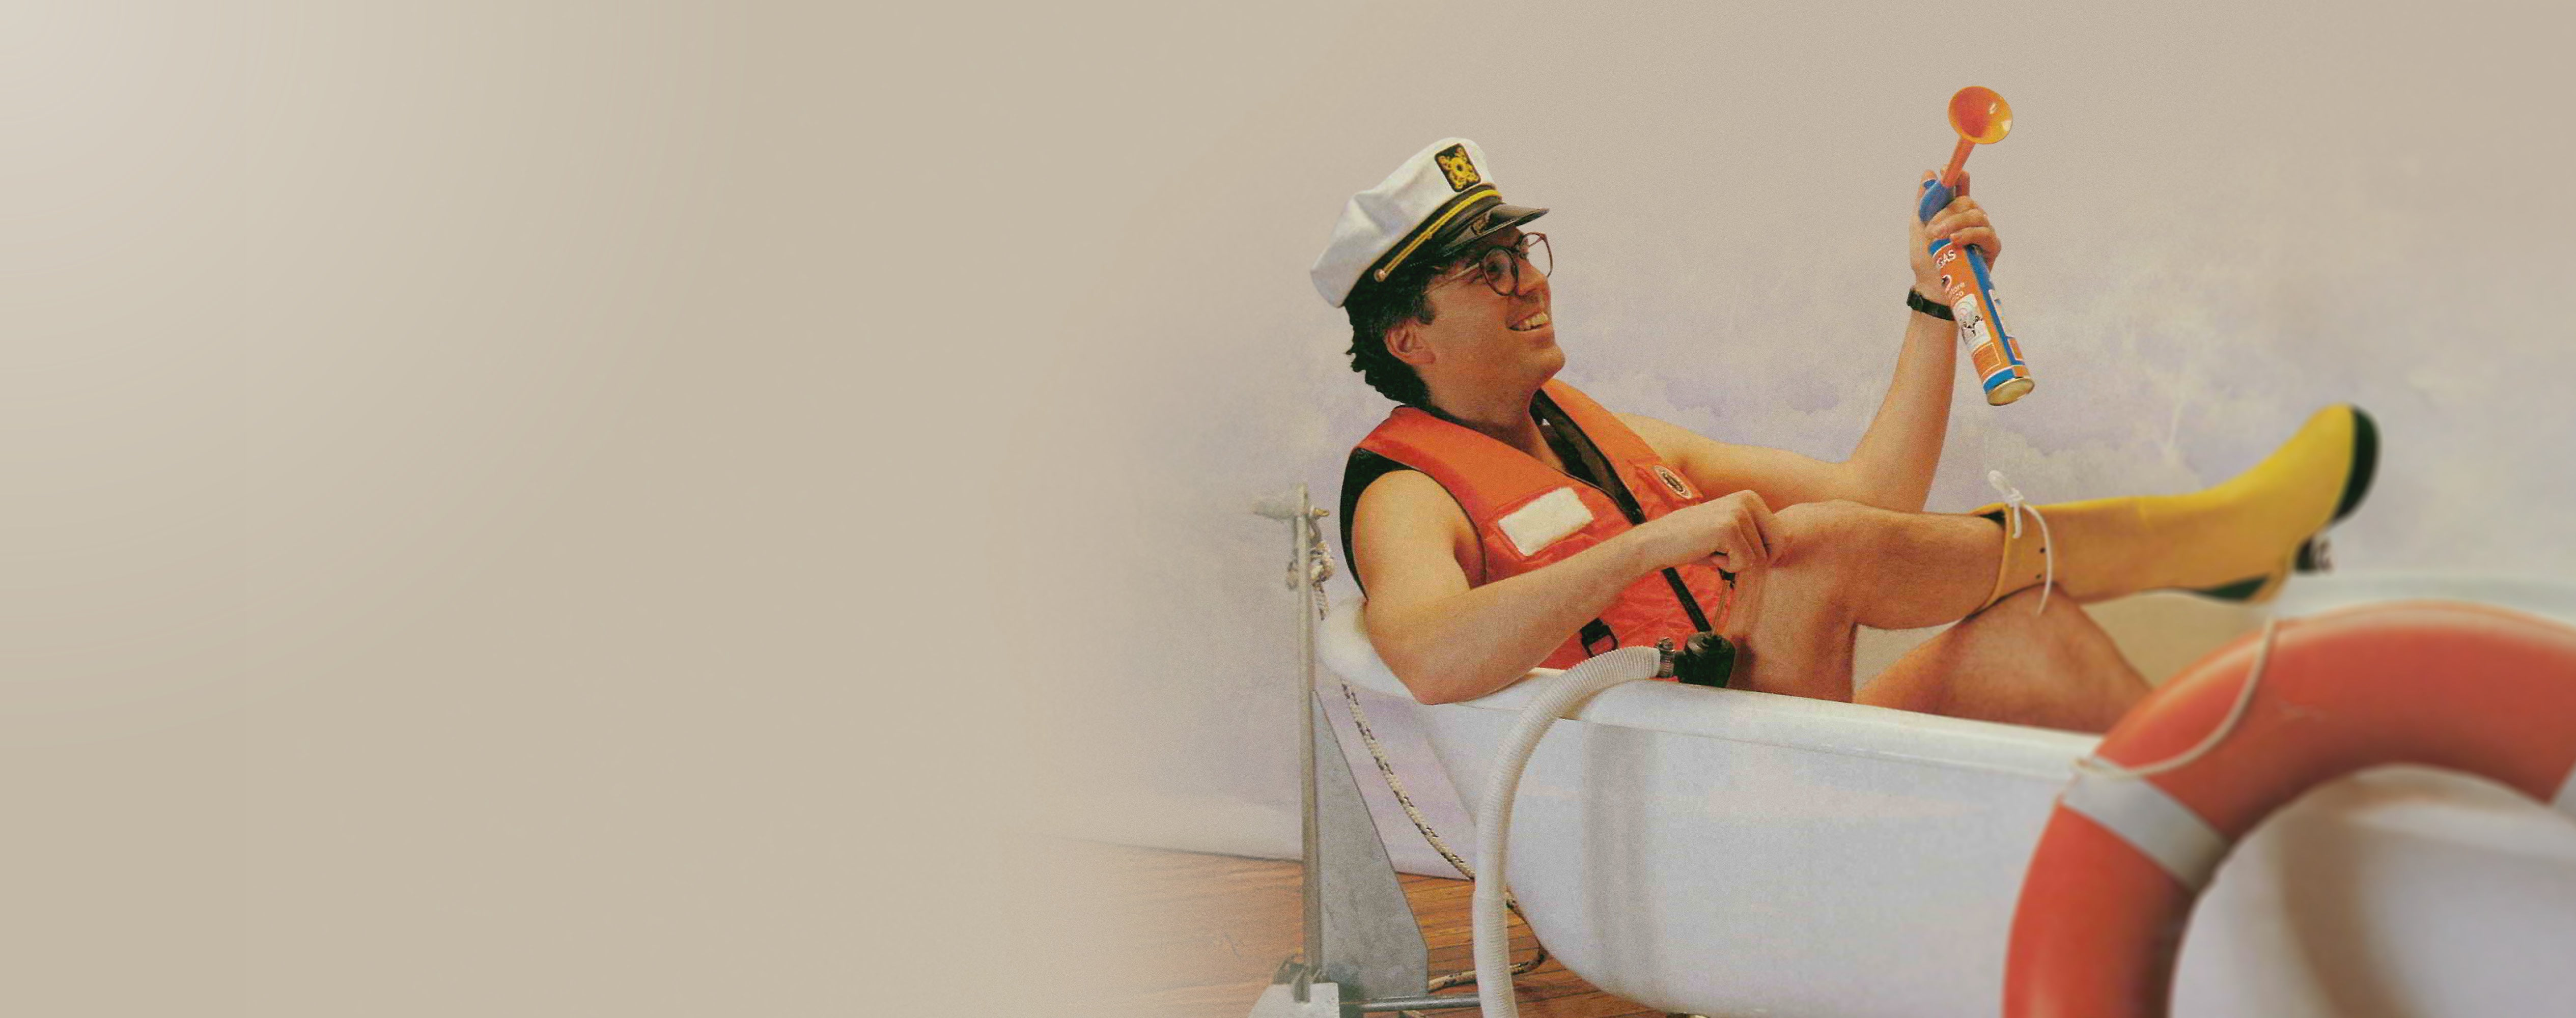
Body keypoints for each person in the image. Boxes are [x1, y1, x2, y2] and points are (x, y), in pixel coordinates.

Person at [1309, 138, 2375, 732]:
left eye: (1523, 251)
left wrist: (1930, 299)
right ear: (1410, 337)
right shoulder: (1408, 491)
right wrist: (1650, 546)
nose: (1526, 281)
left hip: (1753, 748)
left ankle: (2238, 828)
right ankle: (2213, 544)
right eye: (1484, 268)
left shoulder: (1604, 436)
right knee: (1810, 549)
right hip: (1656, 806)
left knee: (2021, 640)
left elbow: (1877, 497)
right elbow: (1431, 659)